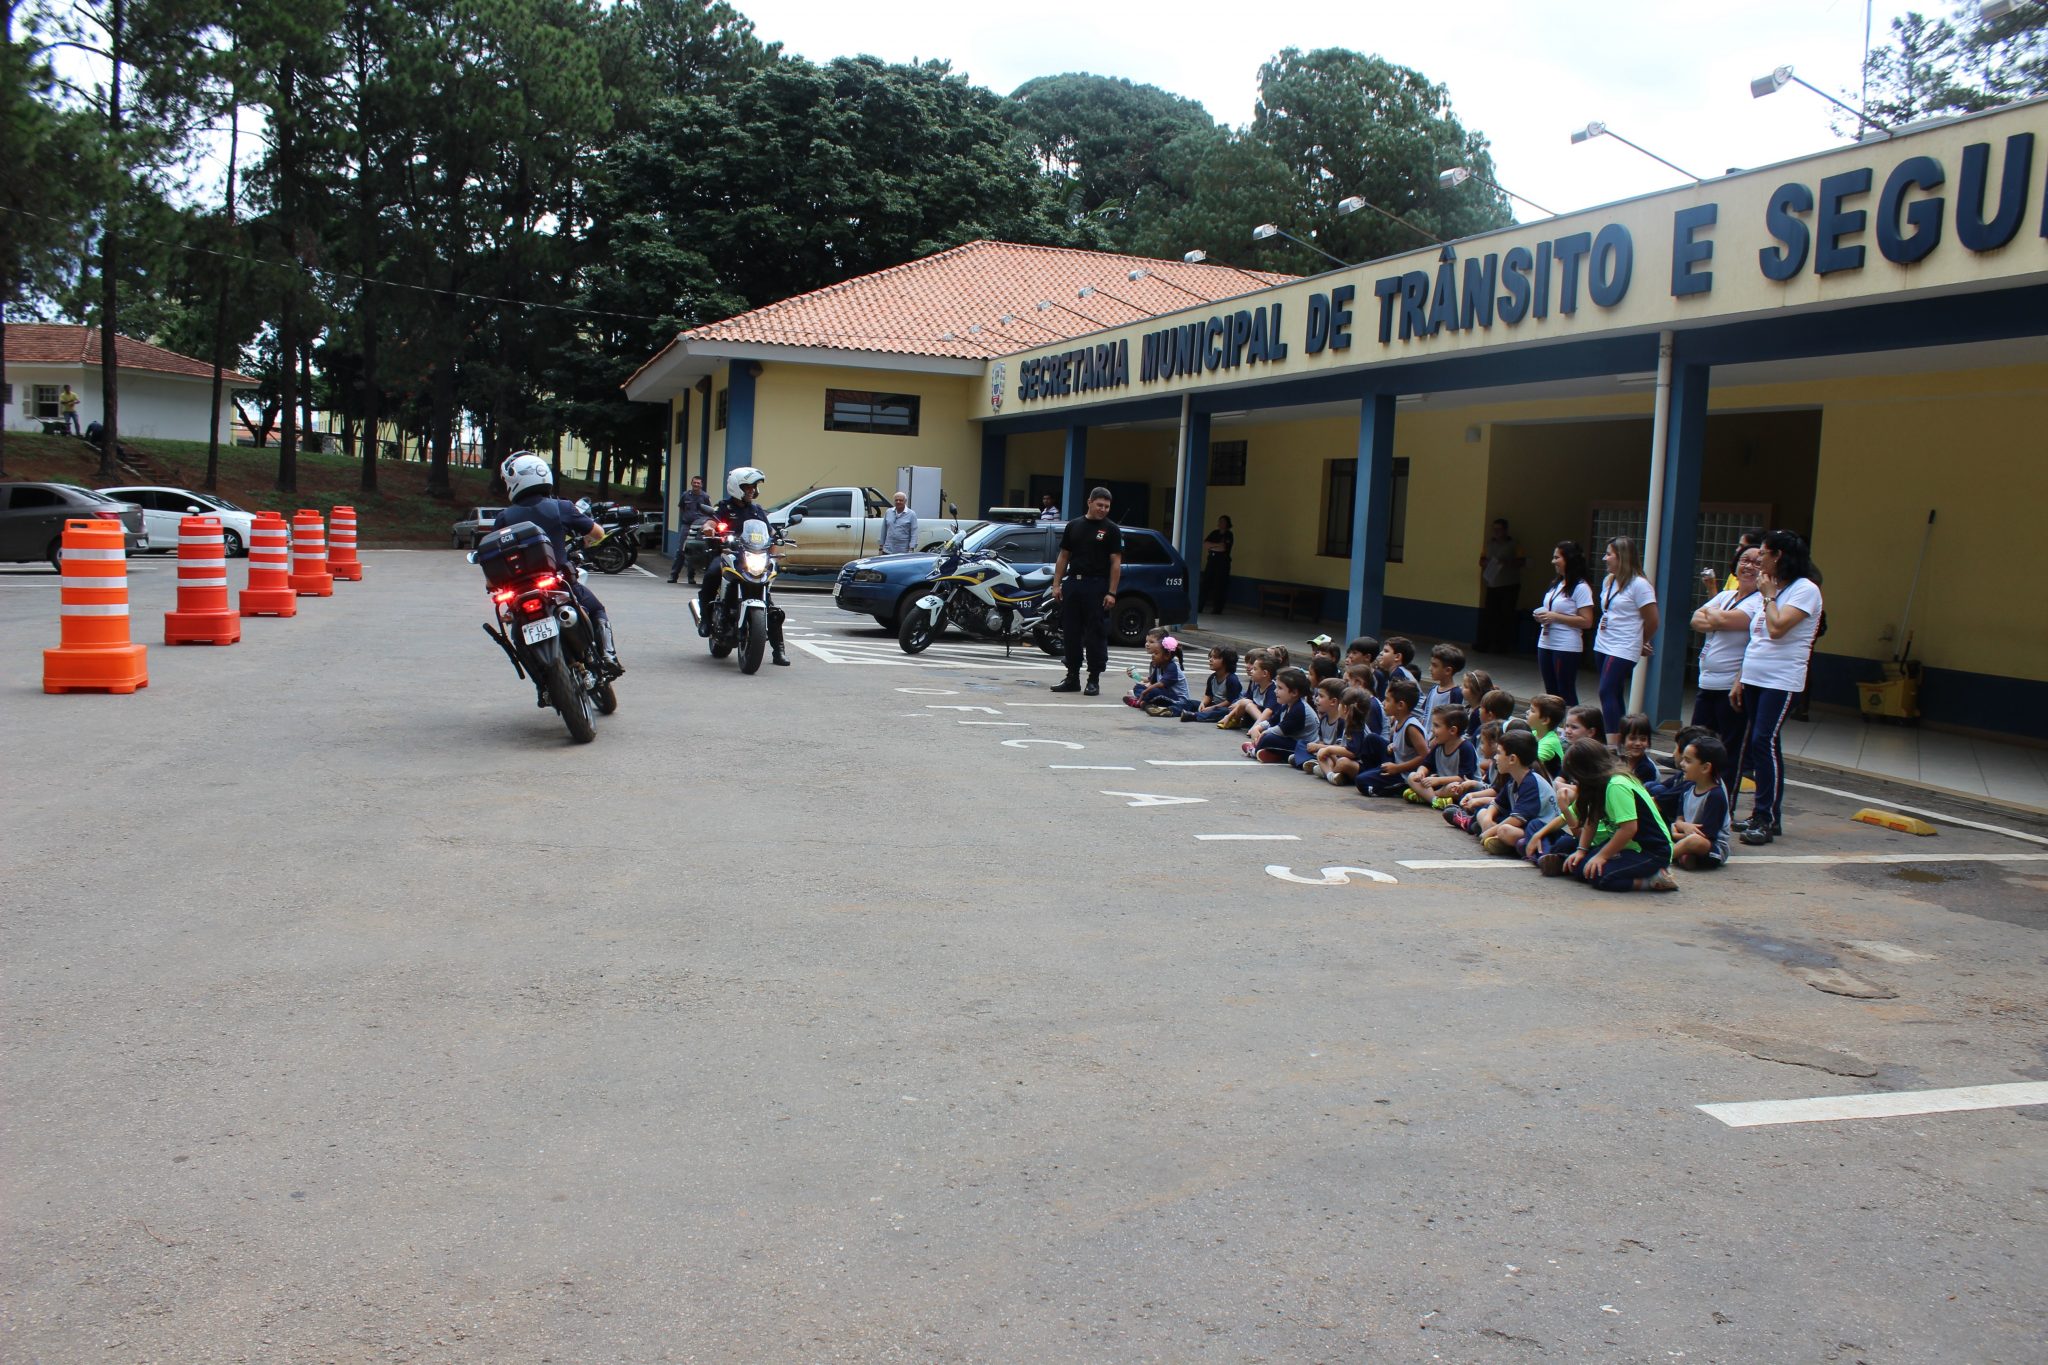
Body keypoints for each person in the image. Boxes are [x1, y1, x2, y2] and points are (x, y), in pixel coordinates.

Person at [492, 451, 623, 676]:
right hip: (558, 582)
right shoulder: (561, 507)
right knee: (596, 608)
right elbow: (598, 533)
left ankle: (541, 683)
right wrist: (586, 542)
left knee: (516, 634)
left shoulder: (504, 517)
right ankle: (609, 656)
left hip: (520, 591)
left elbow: (494, 556)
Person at [1734, 529, 1824, 845]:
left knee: (1764, 741)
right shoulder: (1770, 589)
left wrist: (1769, 595)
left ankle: (1766, 818)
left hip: (1781, 680)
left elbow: (1776, 629)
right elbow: (1756, 637)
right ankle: (1765, 813)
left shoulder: (1804, 590)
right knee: (1759, 744)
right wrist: (1740, 678)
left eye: (1763, 556)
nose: (1758, 562)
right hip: (1755, 677)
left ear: (1778, 557)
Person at [1555, 738, 1679, 892]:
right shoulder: (1599, 785)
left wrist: (1602, 856)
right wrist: (1582, 850)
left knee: (1600, 877)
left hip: (1651, 851)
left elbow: (1628, 829)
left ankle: (1655, 879)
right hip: (1628, 847)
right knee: (1582, 868)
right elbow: (1592, 819)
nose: (1575, 781)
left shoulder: (1616, 785)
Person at [696, 465, 789, 666]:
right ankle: (705, 619)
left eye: (754, 487)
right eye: (748, 487)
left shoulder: (757, 510)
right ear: (737, 487)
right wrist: (708, 529)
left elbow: (770, 532)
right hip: (730, 556)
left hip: (753, 559)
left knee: (770, 604)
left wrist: (778, 540)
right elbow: (711, 522)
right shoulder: (725, 508)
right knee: (712, 574)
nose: (752, 491)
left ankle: (778, 650)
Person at [1689, 546, 1764, 797]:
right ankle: (1693, 797)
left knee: (1729, 750)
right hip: (1707, 683)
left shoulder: (1759, 603)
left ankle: (1723, 806)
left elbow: (1718, 620)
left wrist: (1713, 614)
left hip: (1731, 686)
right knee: (1696, 744)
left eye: (1757, 562)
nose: (1749, 566)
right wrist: (1716, 614)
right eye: (1745, 560)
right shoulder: (1727, 596)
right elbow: (1695, 620)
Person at [1048, 487, 1121, 695]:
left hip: (1097, 586)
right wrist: (1056, 584)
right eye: (1100, 505)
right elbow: (1064, 556)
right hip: (1073, 585)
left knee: (1095, 634)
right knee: (1071, 632)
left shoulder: (1112, 529)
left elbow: (1116, 563)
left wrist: (1112, 592)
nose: (1103, 509)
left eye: (1107, 506)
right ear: (1089, 502)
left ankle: (1093, 679)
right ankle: (1072, 677)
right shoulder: (1074, 526)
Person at [1591, 536, 1658, 744]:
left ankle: (1612, 745)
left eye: (1609, 554)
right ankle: (1622, 738)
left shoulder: (1639, 585)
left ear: (1622, 557)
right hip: (1603, 642)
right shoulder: (1609, 580)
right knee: (1615, 692)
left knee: (1606, 690)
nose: (1605, 558)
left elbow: (1653, 620)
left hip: (1623, 646)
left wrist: (1641, 641)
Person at [1532, 541, 1595, 705]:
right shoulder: (1557, 584)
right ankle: (1554, 726)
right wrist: (1542, 615)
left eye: (1556, 557)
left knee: (1565, 690)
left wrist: (1555, 617)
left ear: (1569, 559)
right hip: (1545, 642)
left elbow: (1587, 621)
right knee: (1551, 692)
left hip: (1565, 646)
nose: (1553, 561)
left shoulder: (1581, 587)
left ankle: (1572, 726)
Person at [1671, 736, 1734, 871]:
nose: (1682, 764)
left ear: (1705, 767)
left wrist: (1677, 834)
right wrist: (1684, 825)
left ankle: (1665, 857)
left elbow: (1707, 835)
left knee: (1694, 841)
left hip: (1712, 847)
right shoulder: (1687, 787)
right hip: (1686, 836)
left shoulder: (1715, 796)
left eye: (1688, 761)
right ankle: (1684, 856)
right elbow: (1679, 819)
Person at [1476, 518, 1525, 653]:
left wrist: (1507, 562)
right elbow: (1481, 560)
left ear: (1505, 530)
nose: (1496, 532)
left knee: (1506, 616)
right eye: (1494, 529)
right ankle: (1485, 644)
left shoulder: (1515, 544)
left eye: (1499, 529)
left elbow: (1522, 562)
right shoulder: (1489, 544)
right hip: (1492, 583)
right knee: (1490, 615)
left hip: (1509, 584)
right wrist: (1486, 563)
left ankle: (1502, 646)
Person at [666, 475, 716, 583]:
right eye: (694, 483)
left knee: (693, 550)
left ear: (701, 485)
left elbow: (710, 511)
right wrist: (684, 519)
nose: (696, 485)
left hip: (699, 526)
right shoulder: (685, 495)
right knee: (681, 550)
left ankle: (691, 577)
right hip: (686, 525)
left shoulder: (705, 497)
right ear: (691, 483)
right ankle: (673, 575)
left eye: (698, 483)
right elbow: (681, 508)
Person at [1179, 646, 1245, 723]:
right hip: (1215, 705)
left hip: (1229, 708)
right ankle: (1171, 710)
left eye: (1215, 657)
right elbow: (1208, 695)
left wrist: (1212, 708)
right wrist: (1203, 703)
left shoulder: (1232, 679)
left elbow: (1230, 702)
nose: (1210, 660)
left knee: (1222, 711)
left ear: (1226, 661)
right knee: (1190, 703)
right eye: (1210, 657)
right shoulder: (1212, 677)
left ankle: (1195, 715)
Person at [1200, 515, 1234, 614]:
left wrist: (1212, 546)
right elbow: (1205, 544)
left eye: (1223, 521)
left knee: (1220, 586)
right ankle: (1199, 607)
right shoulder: (1214, 533)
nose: (1220, 523)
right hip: (1211, 562)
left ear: (1227, 524)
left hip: (1223, 564)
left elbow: (1223, 548)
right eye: (1219, 521)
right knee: (1205, 584)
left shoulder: (1229, 535)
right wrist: (1216, 545)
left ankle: (1217, 609)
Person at [879, 490, 918, 555]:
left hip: (903, 551)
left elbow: (914, 532)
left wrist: (911, 548)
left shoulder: (911, 514)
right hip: (887, 549)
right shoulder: (888, 512)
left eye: (900, 500)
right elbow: (884, 530)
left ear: (905, 501)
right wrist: (881, 547)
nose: (898, 502)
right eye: (896, 500)